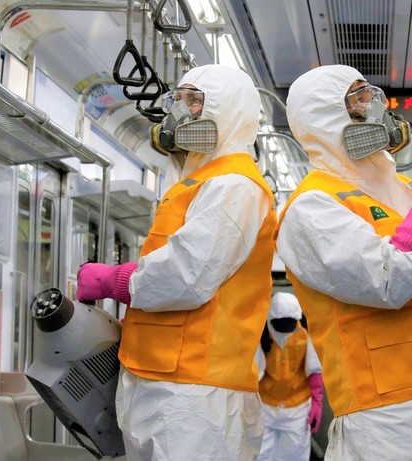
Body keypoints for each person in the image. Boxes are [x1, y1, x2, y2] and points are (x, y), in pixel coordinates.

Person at [274, 64, 412, 460]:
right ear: (325, 118)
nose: (376, 107)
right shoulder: (310, 207)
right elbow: (391, 280)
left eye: (372, 95)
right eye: (359, 99)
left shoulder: (404, 189)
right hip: (389, 415)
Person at [75, 64, 277, 461]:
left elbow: (187, 274)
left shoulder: (234, 183)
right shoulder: (195, 182)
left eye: (195, 101)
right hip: (159, 376)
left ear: (229, 110)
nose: (181, 111)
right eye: (178, 100)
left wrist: (115, 280)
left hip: (197, 391)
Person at [255, 292, 323, 461]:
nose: (285, 329)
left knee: (294, 455)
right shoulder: (260, 335)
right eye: (280, 324)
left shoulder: (305, 334)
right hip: (265, 407)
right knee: (259, 454)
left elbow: (314, 370)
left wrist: (317, 402)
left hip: (297, 409)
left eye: (288, 324)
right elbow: (252, 372)